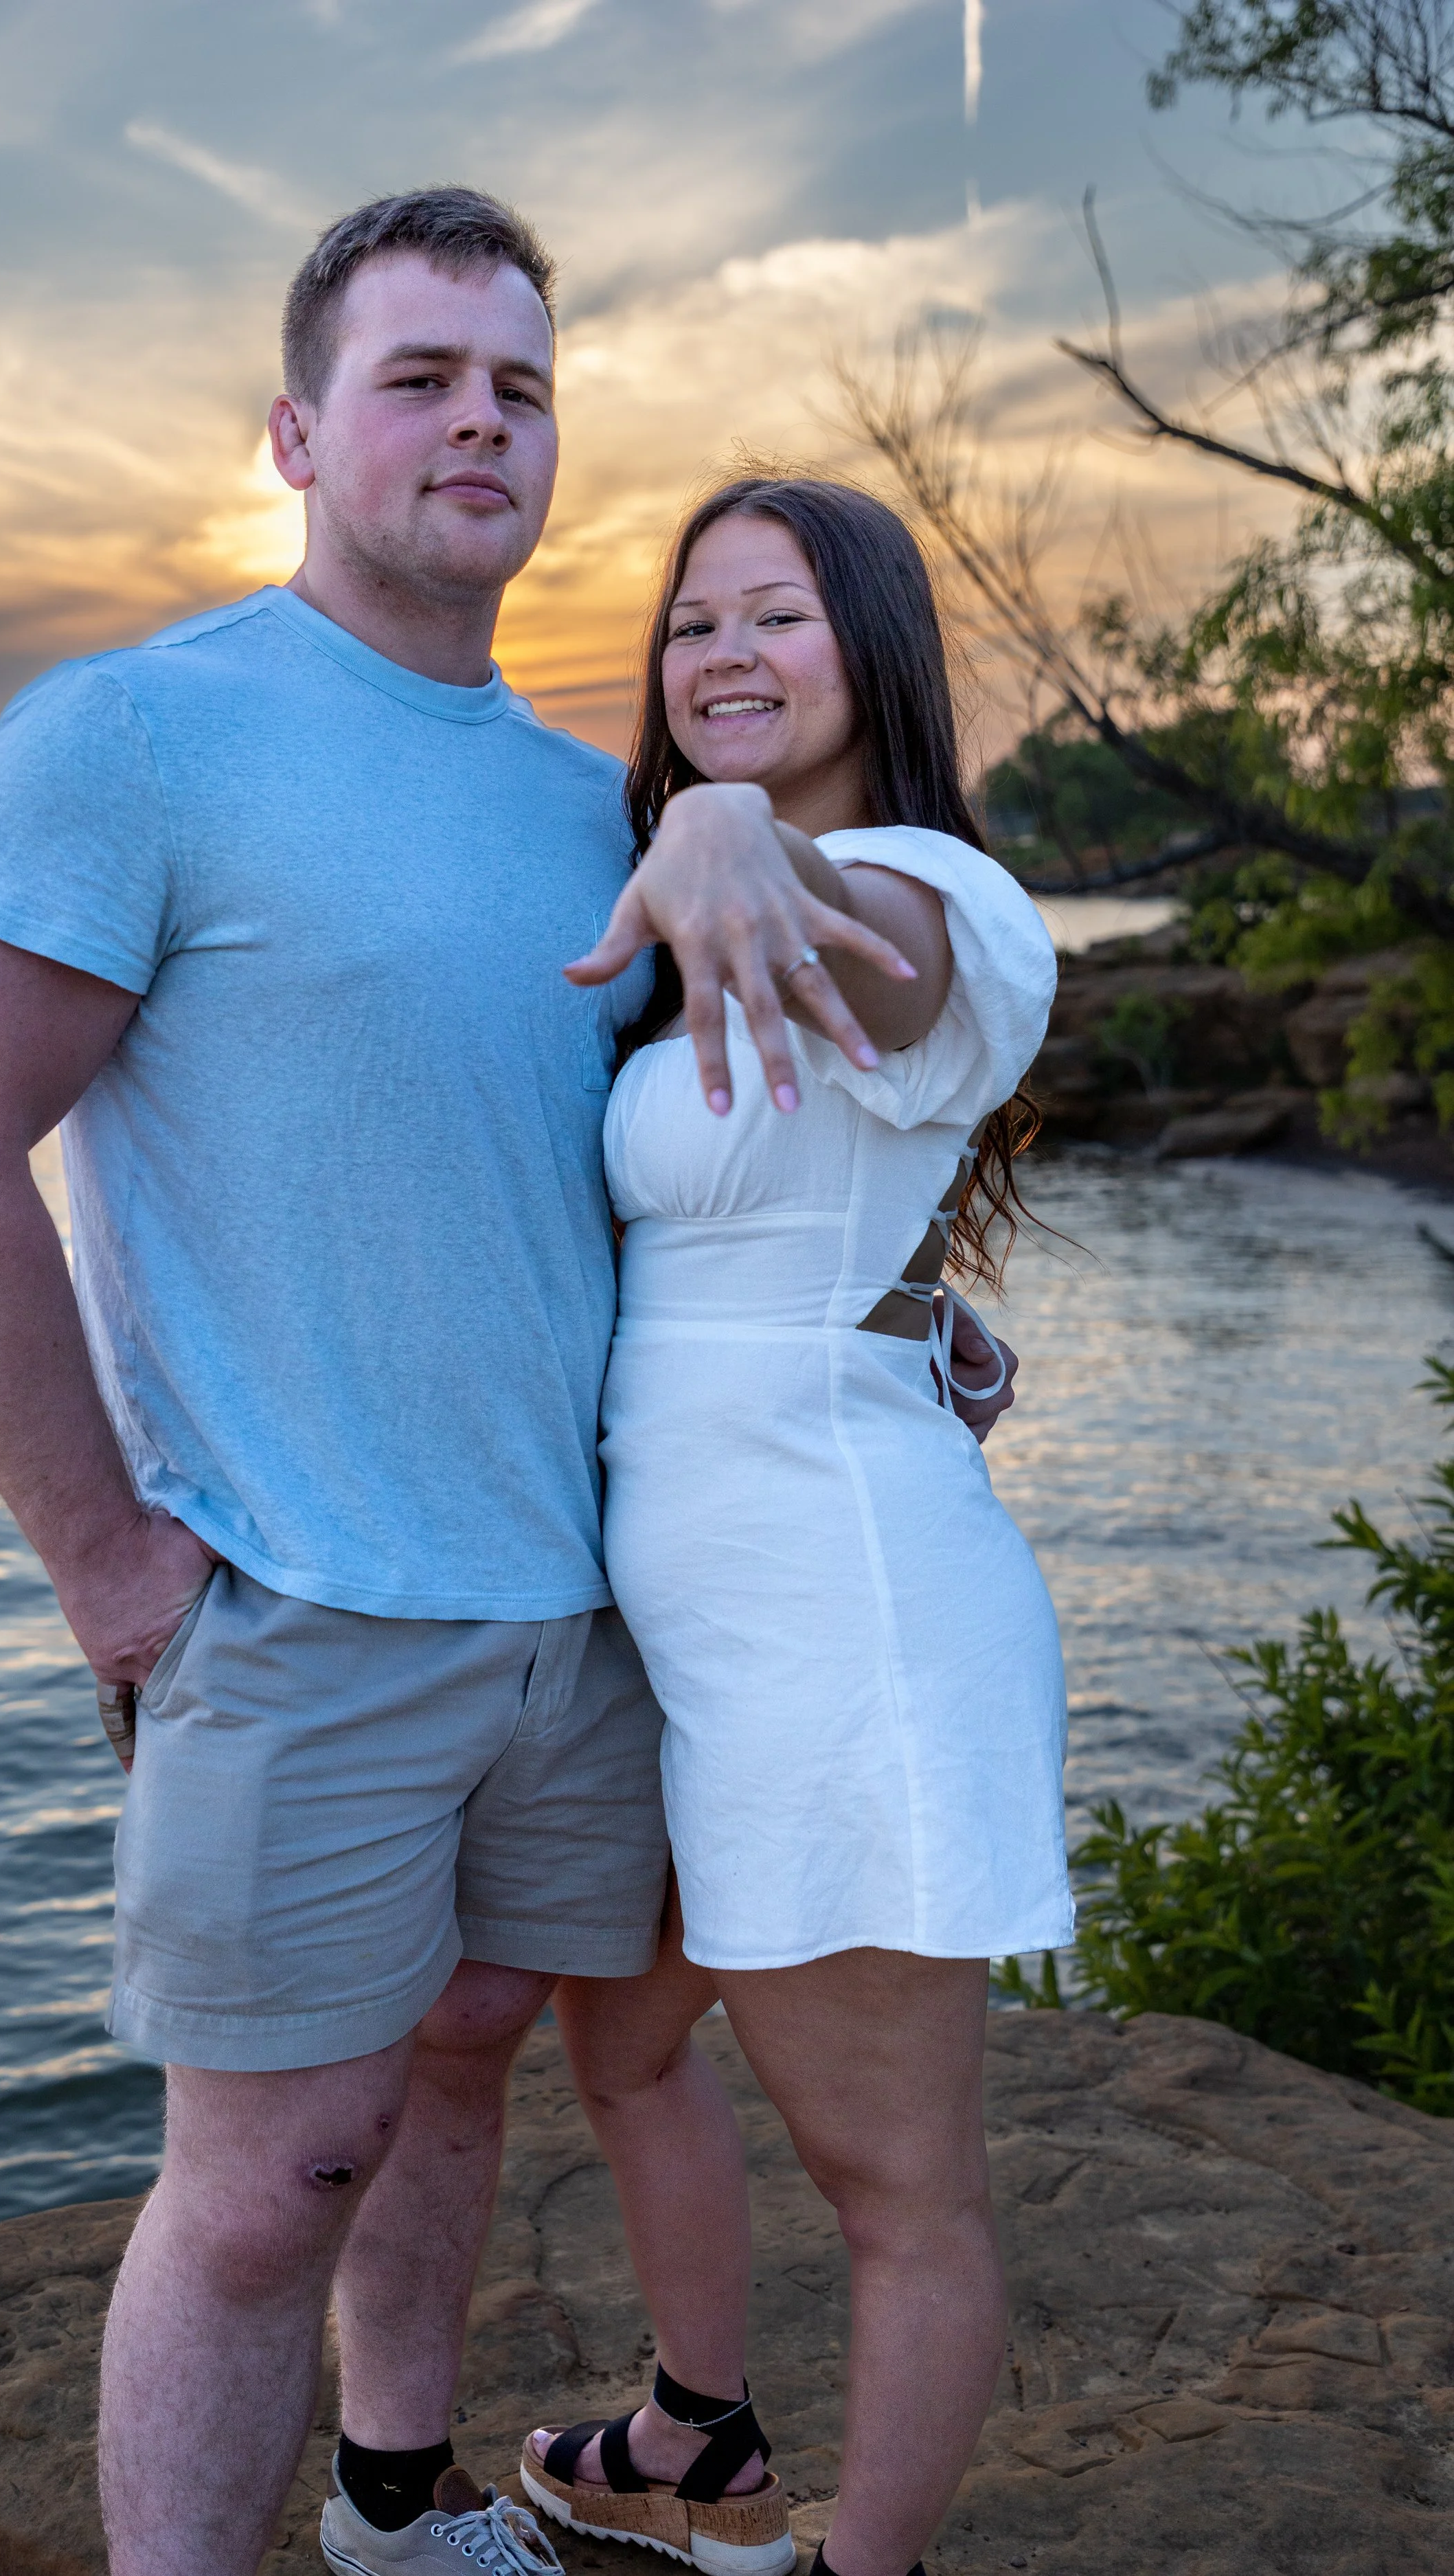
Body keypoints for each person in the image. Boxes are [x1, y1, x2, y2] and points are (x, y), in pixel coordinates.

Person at [0, 191, 1016, 2576]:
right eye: (418, 378)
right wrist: (107, 1566)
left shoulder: (580, 804)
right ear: (296, 435)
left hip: (580, 1609)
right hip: (300, 1598)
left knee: (473, 2050)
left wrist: (902, 1321)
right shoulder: (137, 732)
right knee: (267, 2175)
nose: (479, 420)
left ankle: (395, 2502)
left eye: (519, 385)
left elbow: (649, 1172)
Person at [519, 479, 1072, 2576]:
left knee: (894, 2186)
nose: (723, 653)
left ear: (875, 653)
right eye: (691, 621)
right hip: (700, 1640)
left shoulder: (935, 894)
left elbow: (901, 981)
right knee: (620, 2034)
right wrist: (916, 1311)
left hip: (847, 1635)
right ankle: (700, 2438)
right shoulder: (694, 929)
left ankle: (860, 2558)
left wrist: (732, 832)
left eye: (776, 614)